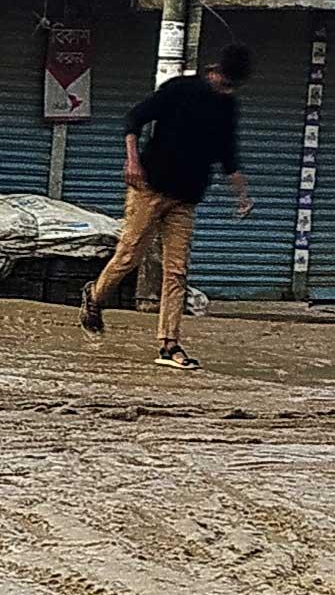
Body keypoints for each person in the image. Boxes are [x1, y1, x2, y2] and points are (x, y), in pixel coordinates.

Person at [82, 45, 254, 371]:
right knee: (129, 255)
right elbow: (134, 120)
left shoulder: (228, 107)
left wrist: (242, 195)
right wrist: (132, 161)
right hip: (149, 188)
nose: (226, 89)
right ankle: (95, 298)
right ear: (215, 72)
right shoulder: (180, 89)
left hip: (185, 200)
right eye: (224, 82)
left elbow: (229, 156)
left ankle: (168, 344)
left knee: (176, 271)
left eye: (232, 86)